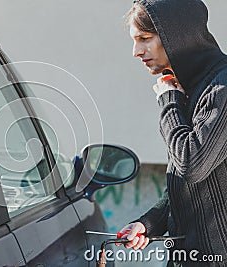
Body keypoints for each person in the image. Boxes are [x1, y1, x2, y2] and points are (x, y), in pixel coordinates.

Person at [119, 0, 227, 266]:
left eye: (144, 38)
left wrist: (168, 102)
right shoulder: (190, 86)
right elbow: (187, 183)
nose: (136, 51)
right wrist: (148, 223)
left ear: (176, 35)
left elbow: (191, 165)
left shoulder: (221, 88)